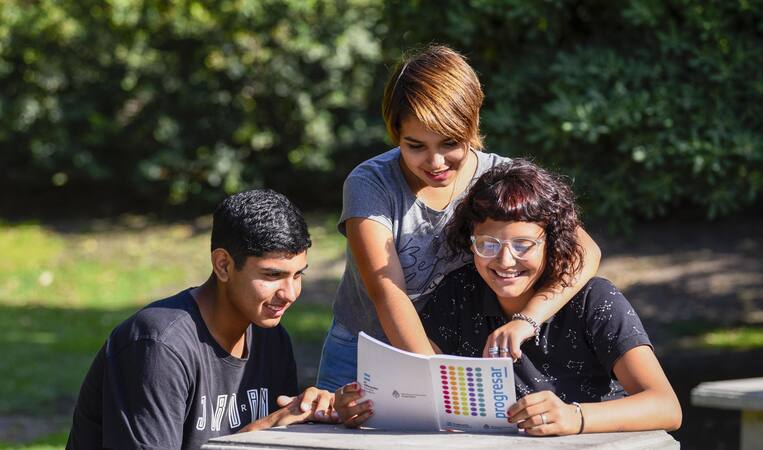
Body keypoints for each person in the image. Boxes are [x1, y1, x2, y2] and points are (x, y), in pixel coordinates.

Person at [316, 45, 602, 391]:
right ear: (396, 134)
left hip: (457, 350)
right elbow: (388, 293)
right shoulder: (370, 183)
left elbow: (585, 252)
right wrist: (437, 385)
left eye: (449, 143)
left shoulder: (499, 177)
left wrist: (530, 319)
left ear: (472, 125)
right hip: (366, 350)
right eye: (415, 145)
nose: (435, 162)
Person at [335, 159, 682, 435]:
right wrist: (367, 407)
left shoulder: (595, 300)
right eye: (488, 245)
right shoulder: (458, 294)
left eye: (523, 245)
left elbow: (667, 407)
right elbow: (426, 396)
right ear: (469, 241)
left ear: (553, 241)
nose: (504, 261)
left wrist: (573, 417)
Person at [67, 189, 338, 450]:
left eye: (298, 274)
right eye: (272, 275)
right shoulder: (158, 346)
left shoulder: (271, 337)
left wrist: (318, 415)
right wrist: (251, 438)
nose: (289, 294)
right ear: (223, 265)